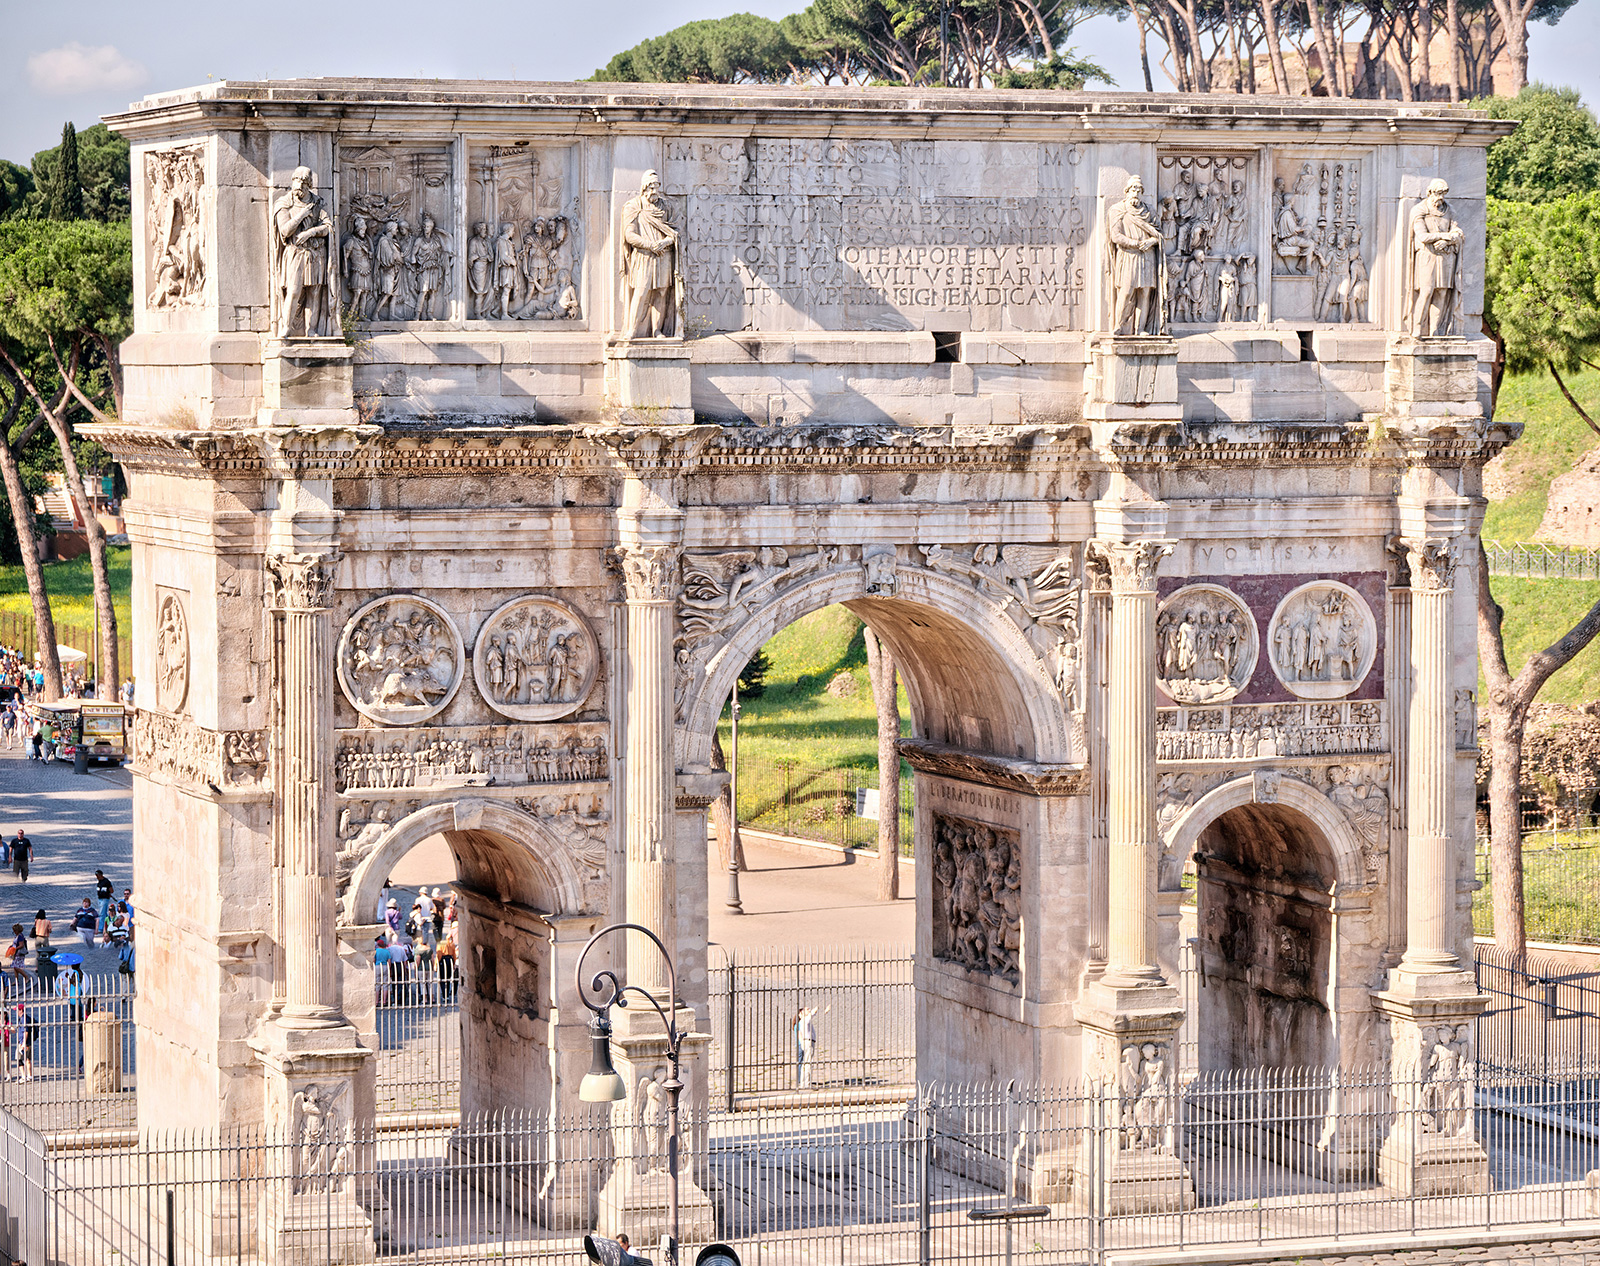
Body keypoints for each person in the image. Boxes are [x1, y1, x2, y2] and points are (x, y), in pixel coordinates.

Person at [620, 170, 680, 339]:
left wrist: (665, 242)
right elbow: (629, 235)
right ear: (644, 188)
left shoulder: (665, 207)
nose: (654, 191)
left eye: (656, 187)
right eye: (651, 188)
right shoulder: (633, 207)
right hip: (644, 256)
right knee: (641, 292)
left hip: (663, 255)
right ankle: (632, 330)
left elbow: (675, 231)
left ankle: (657, 330)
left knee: (661, 293)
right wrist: (650, 245)